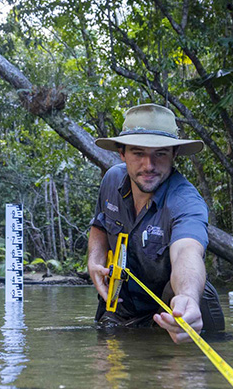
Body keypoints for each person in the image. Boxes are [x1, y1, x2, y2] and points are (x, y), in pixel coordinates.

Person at [87, 103, 225, 343]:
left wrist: (188, 297)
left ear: (174, 155)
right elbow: (99, 226)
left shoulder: (186, 201)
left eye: (160, 153)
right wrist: (94, 262)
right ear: (122, 153)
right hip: (123, 307)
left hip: (175, 310)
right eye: (138, 153)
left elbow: (187, 251)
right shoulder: (111, 180)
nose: (148, 166)